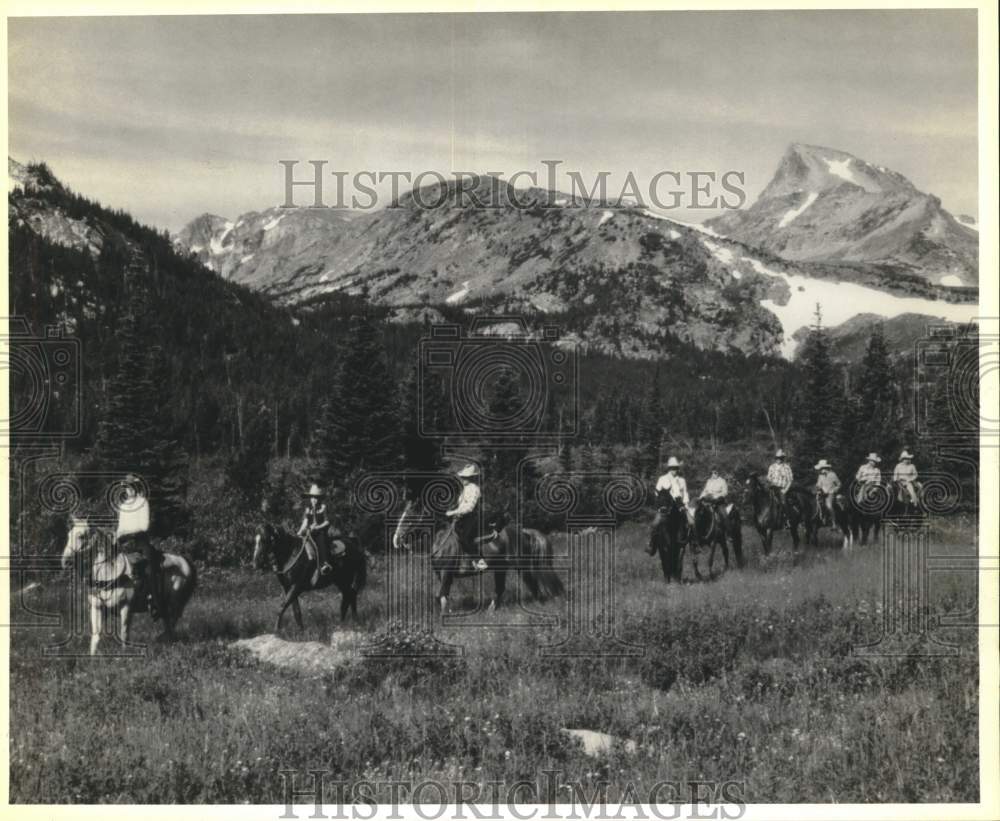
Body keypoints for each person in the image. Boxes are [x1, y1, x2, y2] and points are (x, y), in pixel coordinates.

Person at [116, 474, 167, 621]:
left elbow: (144, 526)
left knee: (149, 569)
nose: (128, 489)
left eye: (131, 486)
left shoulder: (142, 502)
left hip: (140, 542)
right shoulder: (123, 505)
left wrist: (126, 531)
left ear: (136, 487)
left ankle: (155, 603)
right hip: (124, 543)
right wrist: (117, 534)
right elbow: (120, 527)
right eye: (126, 486)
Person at [647, 457, 692, 555]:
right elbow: (656, 493)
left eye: (676, 468)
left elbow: (685, 493)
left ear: (678, 468)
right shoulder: (662, 479)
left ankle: (694, 545)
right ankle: (651, 545)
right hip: (666, 507)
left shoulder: (682, 480)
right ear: (669, 468)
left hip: (680, 506)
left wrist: (686, 505)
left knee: (691, 522)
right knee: (655, 524)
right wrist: (660, 505)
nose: (674, 470)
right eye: (672, 468)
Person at [446, 465, 485, 573]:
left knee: (465, 536)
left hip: (472, 517)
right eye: (462, 477)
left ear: (471, 478)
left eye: (465, 477)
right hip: (462, 517)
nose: (462, 479)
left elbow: (470, 508)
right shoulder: (465, 489)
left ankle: (479, 561)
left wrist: (453, 512)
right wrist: (452, 512)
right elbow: (460, 505)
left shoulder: (475, 489)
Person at [298, 484, 333, 584]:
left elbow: (327, 521)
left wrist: (318, 527)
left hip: (320, 531)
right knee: (301, 542)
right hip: (309, 531)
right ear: (310, 498)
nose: (314, 499)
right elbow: (305, 522)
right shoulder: (308, 508)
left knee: (320, 541)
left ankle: (324, 563)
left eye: (317, 497)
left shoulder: (323, 507)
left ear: (320, 499)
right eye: (313, 497)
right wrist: (299, 532)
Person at [814, 459, 842, 526]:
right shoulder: (820, 476)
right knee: (816, 503)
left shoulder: (832, 475)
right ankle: (821, 519)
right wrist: (818, 487)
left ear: (825, 468)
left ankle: (834, 522)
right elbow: (818, 484)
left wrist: (834, 490)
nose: (820, 470)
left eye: (821, 468)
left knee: (829, 506)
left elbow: (839, 484)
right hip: (822, 493)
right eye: (820, 469)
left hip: (830, 493)